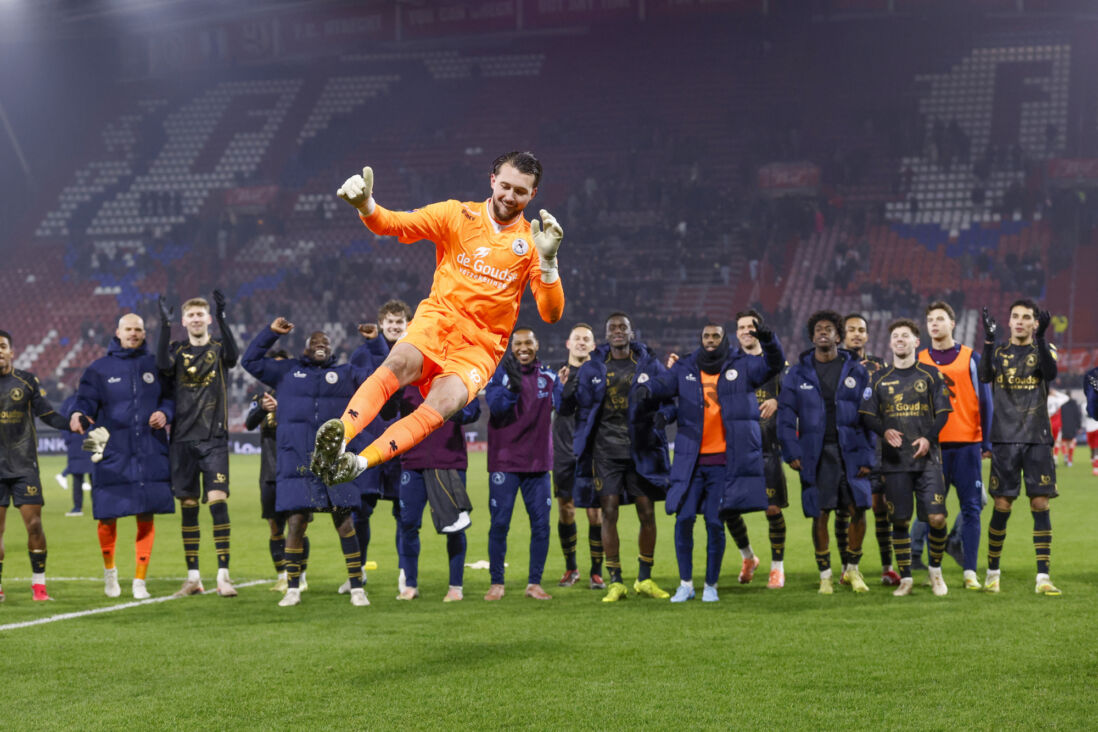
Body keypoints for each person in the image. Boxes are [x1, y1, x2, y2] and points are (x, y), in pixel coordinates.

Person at [311, 151, 565, 486]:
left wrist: (548, 263)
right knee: (397, 363)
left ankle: (358, 463)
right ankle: (340, 435)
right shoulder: (455, 214)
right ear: (492, 180)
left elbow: (550, 313)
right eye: (505, 186)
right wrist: (366, 206)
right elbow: (393, 223)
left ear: (533, 194)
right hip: (438, 321)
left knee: (441, 406)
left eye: (521, 191)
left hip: (480, 348)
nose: (510, 196)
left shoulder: (534, 243)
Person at [241, 318, 378, 608]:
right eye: (316, 342)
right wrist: (270, 333)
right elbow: (249, 360)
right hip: (297, 463)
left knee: (344, 523)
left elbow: (381, 376)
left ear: (332, 351)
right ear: (304, 348)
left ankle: (357, 588)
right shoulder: (287, 372)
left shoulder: (345, 374)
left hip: (334, 461)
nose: (321, 345)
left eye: (326, 343)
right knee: (296, 524)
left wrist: (375, 342)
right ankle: (293, 588)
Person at [649, 317, 783, 602]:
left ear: (724, 339)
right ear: (701, 339)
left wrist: (769, 340)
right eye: (707, 336)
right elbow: (663, 386)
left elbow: (773, 365)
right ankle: (685, 583)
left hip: (723, 463)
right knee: (683, 520)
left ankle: (711, 585)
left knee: (713, 522)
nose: (711, 340)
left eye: (716, 336)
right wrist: (646, 389)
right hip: (691, 462)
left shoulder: (742, 365)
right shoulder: (685, 367)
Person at [563, 312, 672, 602]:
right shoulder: (593, 367)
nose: (618, 331)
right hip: (605, 451)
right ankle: (616, 581)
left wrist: (663, 416)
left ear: (631, 332)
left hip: (641, 449)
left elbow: (670, 396)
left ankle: (645, 579)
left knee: (646, 511)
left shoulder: (648, 364)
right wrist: (565, 389)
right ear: (606, 335)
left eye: (623, 327)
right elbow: (568, 407)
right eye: (613, 328)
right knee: (608, 512)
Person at [69, 315, 175, 600]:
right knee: (106, 516)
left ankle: (140, 581)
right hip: (113, 450)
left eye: (139, 329)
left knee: (146, 513)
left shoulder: (156, 365)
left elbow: (170, 397)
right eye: (128, 329)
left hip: (149, 450)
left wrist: (165, 413)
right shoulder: (99, 369)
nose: (134, 333)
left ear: (144, 333)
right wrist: (78, 414)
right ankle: (110, 572)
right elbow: (85, 401)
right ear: (118, 332)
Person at [778, 310, 874, 594]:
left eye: (829, 329)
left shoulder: (857, 370)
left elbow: (869, 416)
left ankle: (853, 570)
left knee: (858, 508)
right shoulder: (797, 373)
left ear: (838, 336)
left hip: (852, 451)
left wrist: (869, 456)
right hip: (815, 454)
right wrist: (791, 451)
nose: (823, 332)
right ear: (811, 336)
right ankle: (825, 575)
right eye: (818, 329)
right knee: (820, 513)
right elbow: (785, 417)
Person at [156, 292, 240, 598]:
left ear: (206, 319)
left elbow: (234, 356)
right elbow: (160, 364)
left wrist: (223, 317)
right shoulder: (176, 350)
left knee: (218, 502)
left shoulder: (218, 349)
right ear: (183, 321)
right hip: (181, 439)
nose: (195, 319)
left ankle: (223, 576)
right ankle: (193, 577)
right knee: (189, 507)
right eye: (189, 315)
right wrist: (164, 325)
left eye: (200, 315)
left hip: (213, 439)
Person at [860, 319, 953, 597]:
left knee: (936, 518)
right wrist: (884, 429)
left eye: (906, 336)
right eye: (895, 336)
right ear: (890, 344)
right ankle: (907, 578)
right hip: (894, 462)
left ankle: (935, 572)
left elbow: (944, 412)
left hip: (928, 461)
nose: (900, 340)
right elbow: (866, 415)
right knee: (899, 520)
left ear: (916, 342)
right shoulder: (878, 379)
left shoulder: (931, 375)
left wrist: (929, 438)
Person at [978, 301, 1060, 595]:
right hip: (1004, 438)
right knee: (1002, 505)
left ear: (1036, 323)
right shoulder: (998, 352)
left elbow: (1050, 374)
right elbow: (985, 376)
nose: (1021, 321)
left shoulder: (1045, 348)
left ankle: (1043, 578)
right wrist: (988, 340)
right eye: (1016, 317)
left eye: (1027, 317)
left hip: (1037, 438)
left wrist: (1041, 338)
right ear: (1009, 321)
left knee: (1040, 503)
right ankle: (992, 572)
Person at [917, 301, 992, 589]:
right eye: (930, 320)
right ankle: (932, 569)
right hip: (932, 448)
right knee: (930, 511)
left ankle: (970, 572)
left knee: (971, 508)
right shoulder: (919, 358)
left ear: (953, 324)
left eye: (940, 319)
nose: (935, 324)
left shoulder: (972, 358)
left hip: (966, 445)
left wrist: (986, 440)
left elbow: (986, 400)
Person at [483, 327, 558, 601]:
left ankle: (534, 583)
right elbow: (498, 408)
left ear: (536, 345)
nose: (523, 348)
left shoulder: (549, 377)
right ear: (510, 347)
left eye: (528, 342)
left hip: (538, 464)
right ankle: (496, 583)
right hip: (504, 462)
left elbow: (565, 405)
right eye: (518, 344)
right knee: (500, 523)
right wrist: (513, 388)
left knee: (541, 525)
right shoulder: (497, 375)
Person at [389, 386, 480, 602]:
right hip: (412, 462)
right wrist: (393, 395)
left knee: (455, 526)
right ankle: (410, 584)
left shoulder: (457, 378)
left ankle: (455, 587)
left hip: (448, 462)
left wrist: (453, 407)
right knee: (408, 524)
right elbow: (387, 413)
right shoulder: (409, 380)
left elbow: (473, 411)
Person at [0, 329, 72, 602]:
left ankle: (39, 587)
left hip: (24, 466)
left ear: (12, 352)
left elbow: (48, 414)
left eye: (3, 346)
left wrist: (72, 424)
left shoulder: (27, 381)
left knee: (34, 526)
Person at [839, 312, 897, 586]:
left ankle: (887, 567)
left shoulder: (879, 365)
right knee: (845, 508)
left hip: (876, 444)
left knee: (880, 506)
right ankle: (847, 566)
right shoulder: (834, 364)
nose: (857, 334)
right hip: (845, 445)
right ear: (842, 335)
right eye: (851, 330)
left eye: (861, 329)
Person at [736, 311, 791, 589]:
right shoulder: (730, 365)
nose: (747, 331)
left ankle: (777, 568)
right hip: (736, 451)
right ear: (736, 333)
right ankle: (748, 557)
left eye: (751, 326)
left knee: (772, 510)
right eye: (742, 327)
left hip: (768, 450)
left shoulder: (777, 364)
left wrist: (779, 401)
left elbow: (797, 395)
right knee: (727, 509)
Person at [552, 323, 604, 589]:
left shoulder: (601, 375)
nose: (582, 342)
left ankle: (597, 571)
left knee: (595, 513)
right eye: (577, 338)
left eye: (587, 338)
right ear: (568, 344)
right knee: (567, 510)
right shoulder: (557, 376)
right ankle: (571, 568)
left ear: (593, 346)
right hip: (563, 454)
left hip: (592, 454)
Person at [244, 349, 293, 592]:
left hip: (294, 471)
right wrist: (264, 408)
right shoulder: (260, 397)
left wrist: (283, 408)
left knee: (298, 524)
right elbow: (250, 423)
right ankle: (282, 576)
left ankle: (300, 577)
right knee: (275, 528)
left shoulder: (299, 395)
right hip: (269, 473)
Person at [56, 394, 93, 517]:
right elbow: (63, 420)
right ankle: (77, 507)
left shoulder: (95, 397)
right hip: (76, 443)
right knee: (77, 478)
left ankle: (97, 506)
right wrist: (69, 439)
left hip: (93, 442)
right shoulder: (70, 401)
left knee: (96, 478)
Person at [1056, 390, 1082, 468]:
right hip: (1072, 426)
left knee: (1063, 442)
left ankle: (1065, 455)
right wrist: (1079, 426)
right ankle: (1069, 459)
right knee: (1071, 442)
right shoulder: (1074, 403)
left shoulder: (1061, 404)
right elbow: (1077, 415)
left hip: (1063, 425)